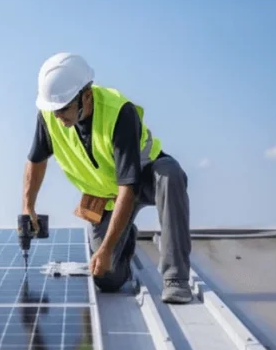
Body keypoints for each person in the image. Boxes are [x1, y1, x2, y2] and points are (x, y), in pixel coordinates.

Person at [21, 52, 193, 304]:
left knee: (171, 175)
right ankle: (127, 235)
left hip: (143, 179)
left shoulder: (119, 112)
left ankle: (175, 278)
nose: (58, 117)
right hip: (105, 197)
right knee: (107, 278)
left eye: (64, 109)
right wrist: (28, 205)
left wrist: (107, 248)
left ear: (86, 97)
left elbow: (128, 188)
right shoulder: (49, 116)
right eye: (54, 110)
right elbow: (36, 159)